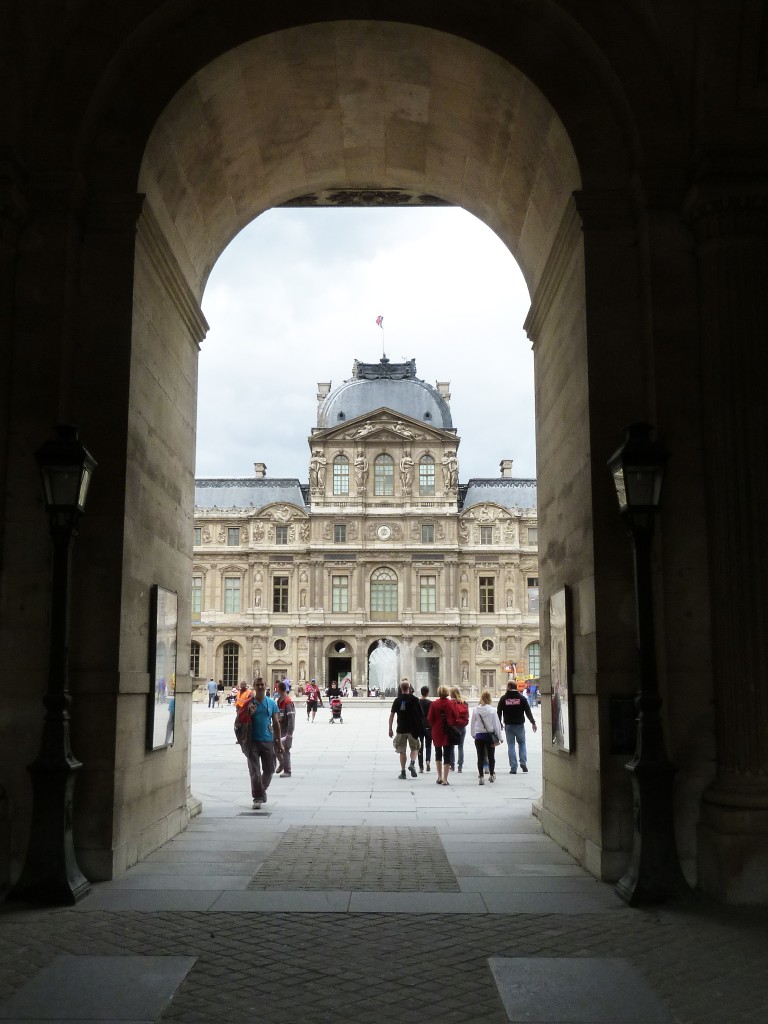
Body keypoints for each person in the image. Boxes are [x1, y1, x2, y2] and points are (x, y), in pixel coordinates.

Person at [236, 677, 282, 809]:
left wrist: (279, 743)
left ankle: (261, 790)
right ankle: (257, 798)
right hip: (252, 742)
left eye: (262, 684)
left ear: (266, 686)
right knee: (255, 771)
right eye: (258, 685)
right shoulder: (248, 704)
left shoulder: (272, 703)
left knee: (270, 769)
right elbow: (239, 721)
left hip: (268, 740)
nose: (260, 687)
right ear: (254, 687)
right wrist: (249, 714)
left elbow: (276, 723)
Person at [497, 679, 538, 773]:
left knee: (511, 745)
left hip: (509, 725)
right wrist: (533, 723)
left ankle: (513, 767)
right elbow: (528, 712)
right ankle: (523, 762)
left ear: (508, 687)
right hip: (519, 725)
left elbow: (498, 712)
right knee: (522, 743)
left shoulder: (503, 699)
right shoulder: (522, 698)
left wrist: (499, 723)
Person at [388, 678, 424, 779]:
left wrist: (390, 729)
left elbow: (391, 716)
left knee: (402, 751)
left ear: (400, 688)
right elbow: (421, 715)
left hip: (401, 729)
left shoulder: (397, 700)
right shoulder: (415, 700)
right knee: (415, 748)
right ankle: (412, 763)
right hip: (413, 729)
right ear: (409, 688)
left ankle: (403, 771)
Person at [427, 685, 460, 786]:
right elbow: (457, 716)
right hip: (448, 731)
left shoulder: (434, 704)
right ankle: (445, 779)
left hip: (437, 731)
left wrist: (435, 725)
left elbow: (430, 718)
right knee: (447, 754)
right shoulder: (450, 703)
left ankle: (439, 777)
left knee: (438, 753)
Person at [470, 690, 503, 784]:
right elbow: (497, 725)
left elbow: (473, 724)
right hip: (489, 737)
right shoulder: (492, 710)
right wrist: (500, 737)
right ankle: (492, 775)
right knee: (491, 756)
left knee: (480, 757)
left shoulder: (476, 710)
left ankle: (481, 776)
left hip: (479, 736)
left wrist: (473, 734)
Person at [274, 680, 295, 777]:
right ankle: (282, 762)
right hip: (279, 729)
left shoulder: (288, 702)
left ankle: (287, 771)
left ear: (279, 689)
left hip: (285, 730)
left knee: (285, 749)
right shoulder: (279, 701)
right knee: (274, 746)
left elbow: (291, 718)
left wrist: (289, 733)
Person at [449, 686, 470, 773]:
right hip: (462, 727)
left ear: (452, 694)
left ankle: (452, 765)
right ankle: (460, 766)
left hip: (453, 727)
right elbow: (467, 715)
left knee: (451, 747)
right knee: (461, 747)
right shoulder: (463, 702)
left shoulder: (450, 703)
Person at [417, 685, 433, 773]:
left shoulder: (417, 702)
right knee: (428, 745)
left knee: (420, 746)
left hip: (420, 726)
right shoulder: (430, 703)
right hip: (429, 726)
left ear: (421, 692)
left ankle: (421, 767)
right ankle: (428, 761)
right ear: (427, 693)